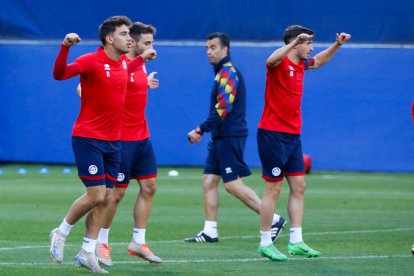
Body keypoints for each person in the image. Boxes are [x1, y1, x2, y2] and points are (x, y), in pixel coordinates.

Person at [49, 16, 156, 273]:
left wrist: (143, 59)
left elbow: (124, 73)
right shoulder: (90, 61)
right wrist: (66, 47)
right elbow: (59, 74)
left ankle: (87, 251)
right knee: (96, 195)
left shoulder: (122, 64)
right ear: (109, 39)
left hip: (114, 141)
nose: (129, 38)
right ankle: (60, 232)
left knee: (106, 198)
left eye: (130, 34)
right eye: (123, 33)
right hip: (89, 138)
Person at [256, 25, 351, 261]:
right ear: (296, 43)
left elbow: (318, 61)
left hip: (292, 135)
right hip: (272, 133)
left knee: (299, 187)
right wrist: (293, 42)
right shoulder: (279, 64)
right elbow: (270, 59)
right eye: (308, 43)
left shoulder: (301, 64)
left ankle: (296, 241)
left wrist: (337, 45)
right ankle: (265, 242)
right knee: (274, 188)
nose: (311, 47)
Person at [185, 32, 286, 244]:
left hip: (230, 135)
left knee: (232, 185)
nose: (209, 52)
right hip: (221, 135)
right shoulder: (221, 72)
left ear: (225, 50)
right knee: (209, 181)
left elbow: (223, 108)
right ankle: (210, 231)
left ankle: (273, 219)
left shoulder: (229, 72)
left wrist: (200, 130)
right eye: (207, 48)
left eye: (213, 47)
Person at [93, 21, 161, 266]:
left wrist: (146, 83)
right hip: (121, 139)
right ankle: (101, 242)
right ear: (132, 41)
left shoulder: (140, 66)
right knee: (117, 193)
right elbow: (89, 85)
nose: (151, 47)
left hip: (142, 136)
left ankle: (138, 241)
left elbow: (132, 89)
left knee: (150, 186)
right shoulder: (120, 64)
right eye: (147, 43)